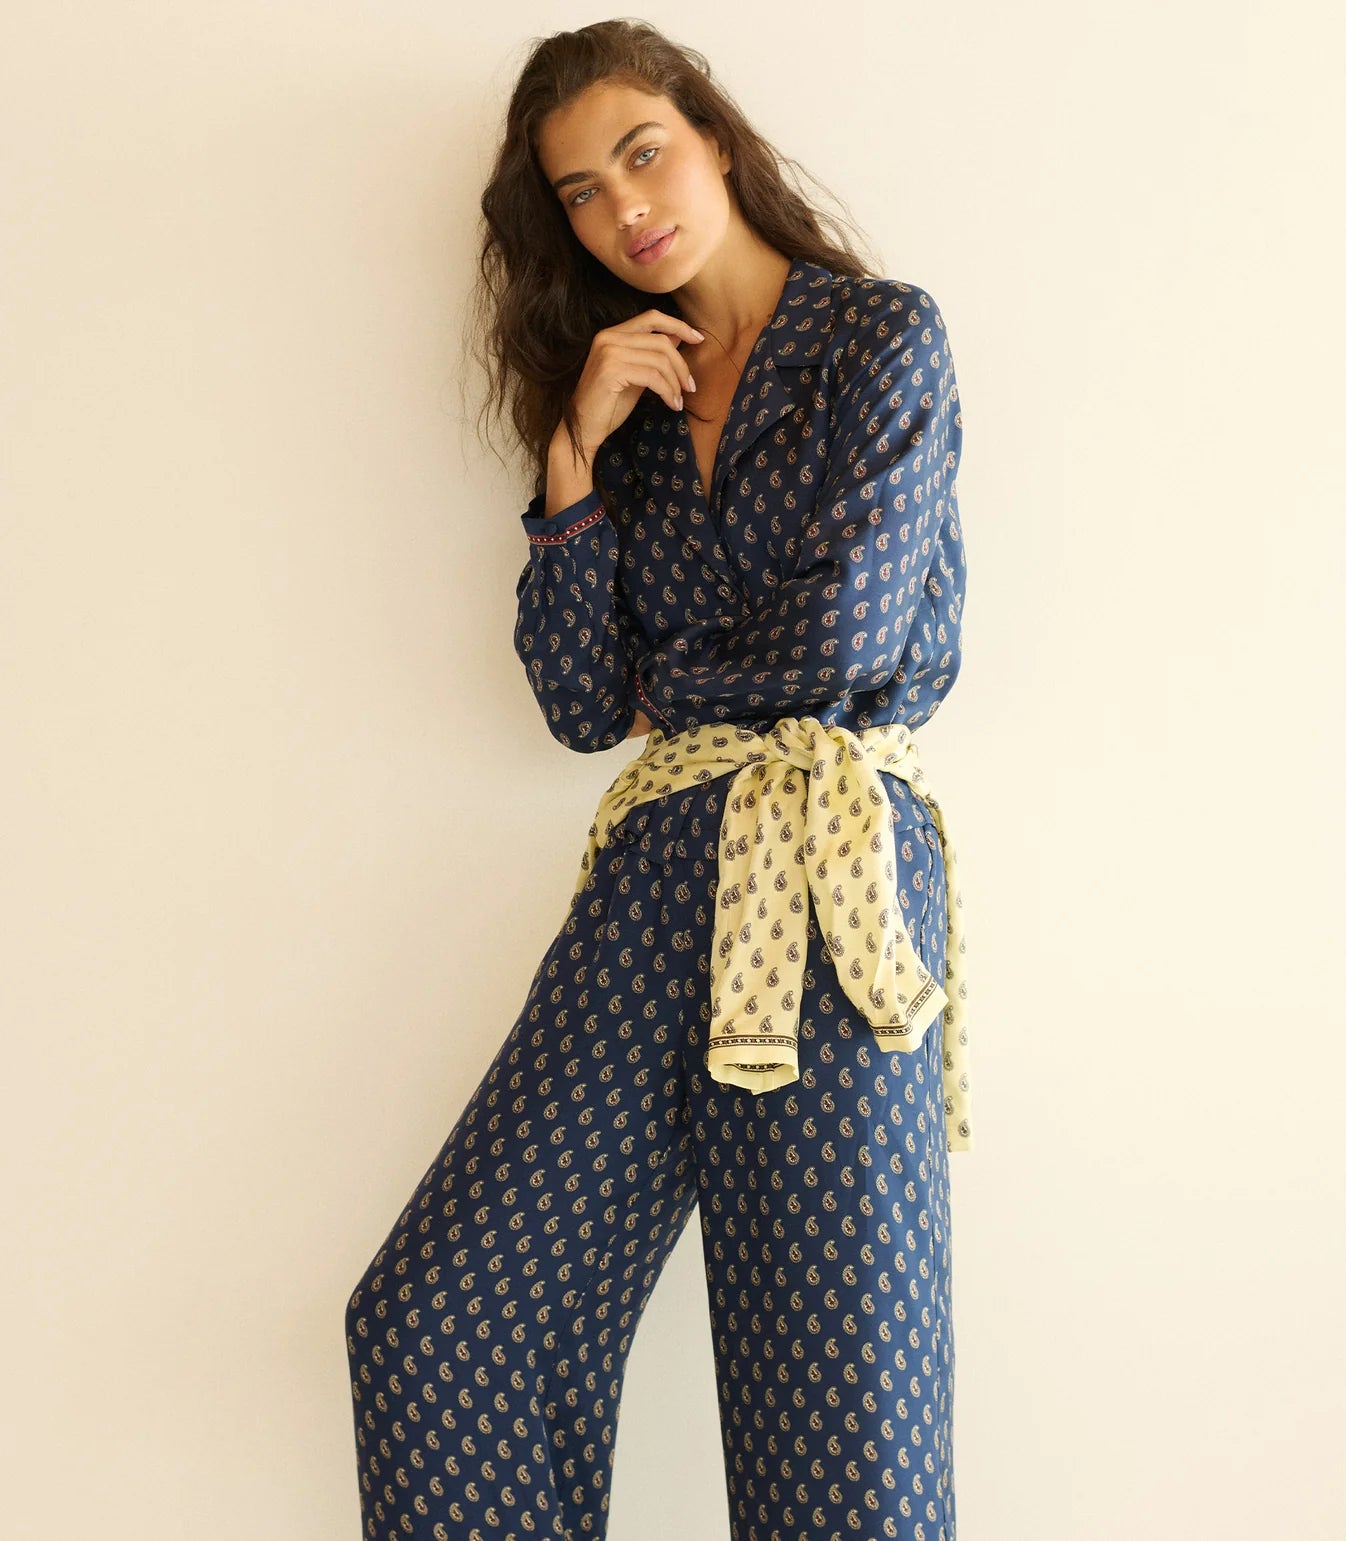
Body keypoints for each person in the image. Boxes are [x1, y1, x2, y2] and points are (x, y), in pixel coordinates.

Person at [345, 18, 971, 1541]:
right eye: (580, 191)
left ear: (715, 141)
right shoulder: (622, 418)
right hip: (649, 891)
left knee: (835, 1418)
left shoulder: (878, 340)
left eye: (643, 154)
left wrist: (667, 690)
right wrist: (571, 454)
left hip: (823, 872)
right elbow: (580, 703)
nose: (623, 206)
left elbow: (845, 635)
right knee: (438, 1323)